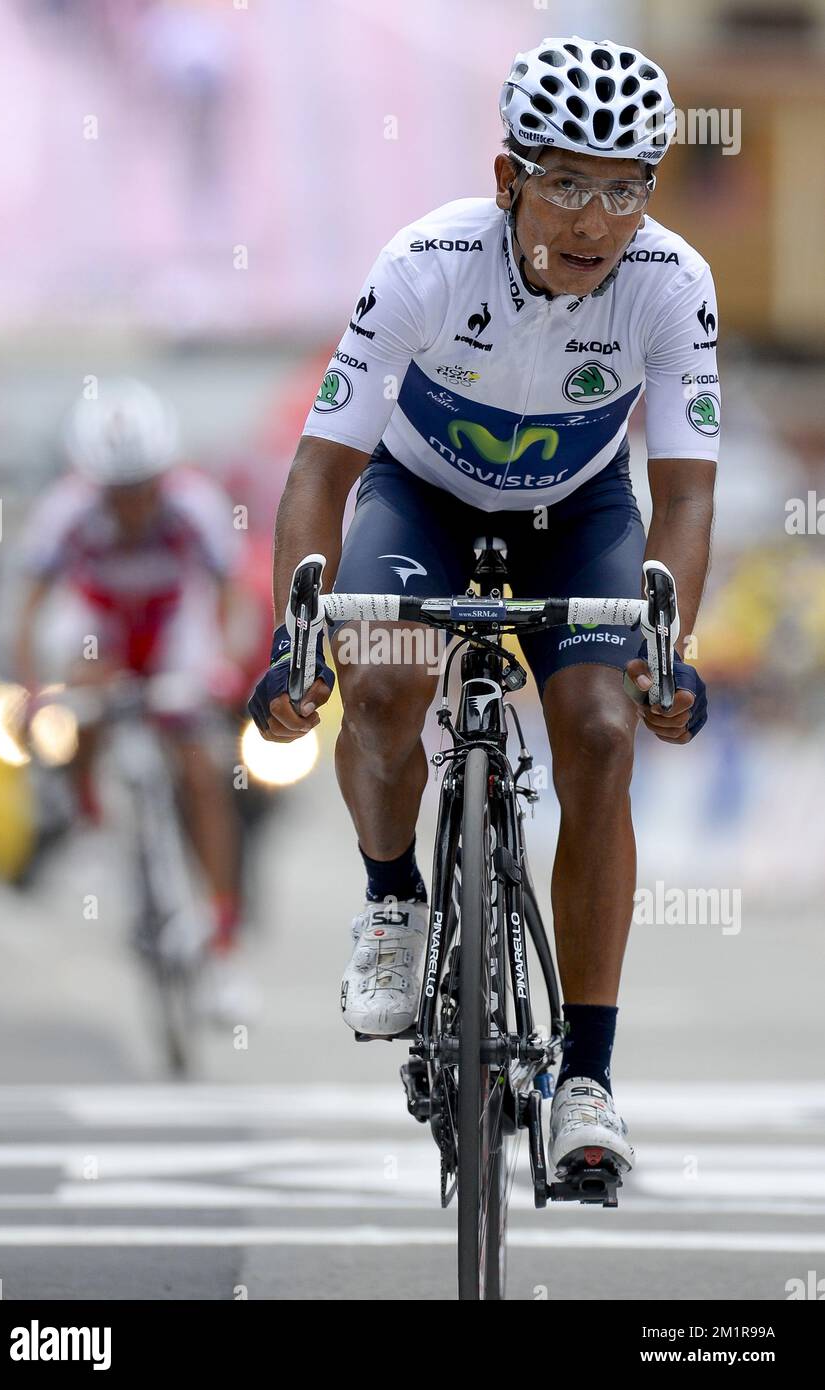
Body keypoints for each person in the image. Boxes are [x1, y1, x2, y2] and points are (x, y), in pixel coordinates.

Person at [248, 36, 718, 1181]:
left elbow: (686, 490)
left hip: (579, 511)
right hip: (421, 501)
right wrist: (294, 639)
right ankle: (392, 896)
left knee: (603, 734)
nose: (596, 220)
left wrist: (670, 651)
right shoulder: (424, 262)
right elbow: (320, 472)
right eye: (566, 181)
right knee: (389, 678)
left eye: (625, 187)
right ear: (508, 178)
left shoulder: (673, 282)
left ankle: (589, 1080)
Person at [15, 378, 256, 1024]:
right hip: (98, 630)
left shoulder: (195, 504)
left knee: (202, 772)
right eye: (114, 494)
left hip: (173, 624)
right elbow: (30, 607)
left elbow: (233, 593)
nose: (128, 506)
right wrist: (33, 693)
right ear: (91, 484)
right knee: (83, 695)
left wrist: (229, 667)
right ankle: (86, 815)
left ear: (164, 473)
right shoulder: (65, 512)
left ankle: (222, 948)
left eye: (141, 489)